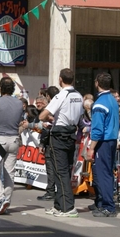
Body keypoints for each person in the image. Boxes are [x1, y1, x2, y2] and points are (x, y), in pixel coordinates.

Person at [39, 68, 83, 217]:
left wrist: (51, 118)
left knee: (61, 171)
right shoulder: (79, 96)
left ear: (60, 79)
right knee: (64, 171)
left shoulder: (61, 95)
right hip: (71, 133)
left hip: (59, 135)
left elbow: (42, 115)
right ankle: (59, 205)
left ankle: (68, 207)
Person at [0, 77, 23, 215]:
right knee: (10, 173)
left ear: (0, 88)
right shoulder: (19, 103)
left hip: (0, 139)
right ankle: (6, 200)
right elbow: (19, 120)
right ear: (13, 88)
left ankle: (1, 199)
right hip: (14, 138)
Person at [86, 73, 119, 217]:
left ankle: (108, 206)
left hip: (103, 142)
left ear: (97, 83)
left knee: (103, 174)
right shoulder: (112, 99)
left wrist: (91, 148)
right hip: (111, 140)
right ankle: (102, 202)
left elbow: (98, 129)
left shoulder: (100, 103)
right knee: (106, 173)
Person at [37, 86, 60, 201]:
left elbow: (46, 127)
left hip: (51, 141)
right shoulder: (62, 105)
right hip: (60, 140)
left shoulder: (52, 108)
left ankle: (51, 191)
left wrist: (41, 144)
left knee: (51, 167)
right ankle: (57, 191)